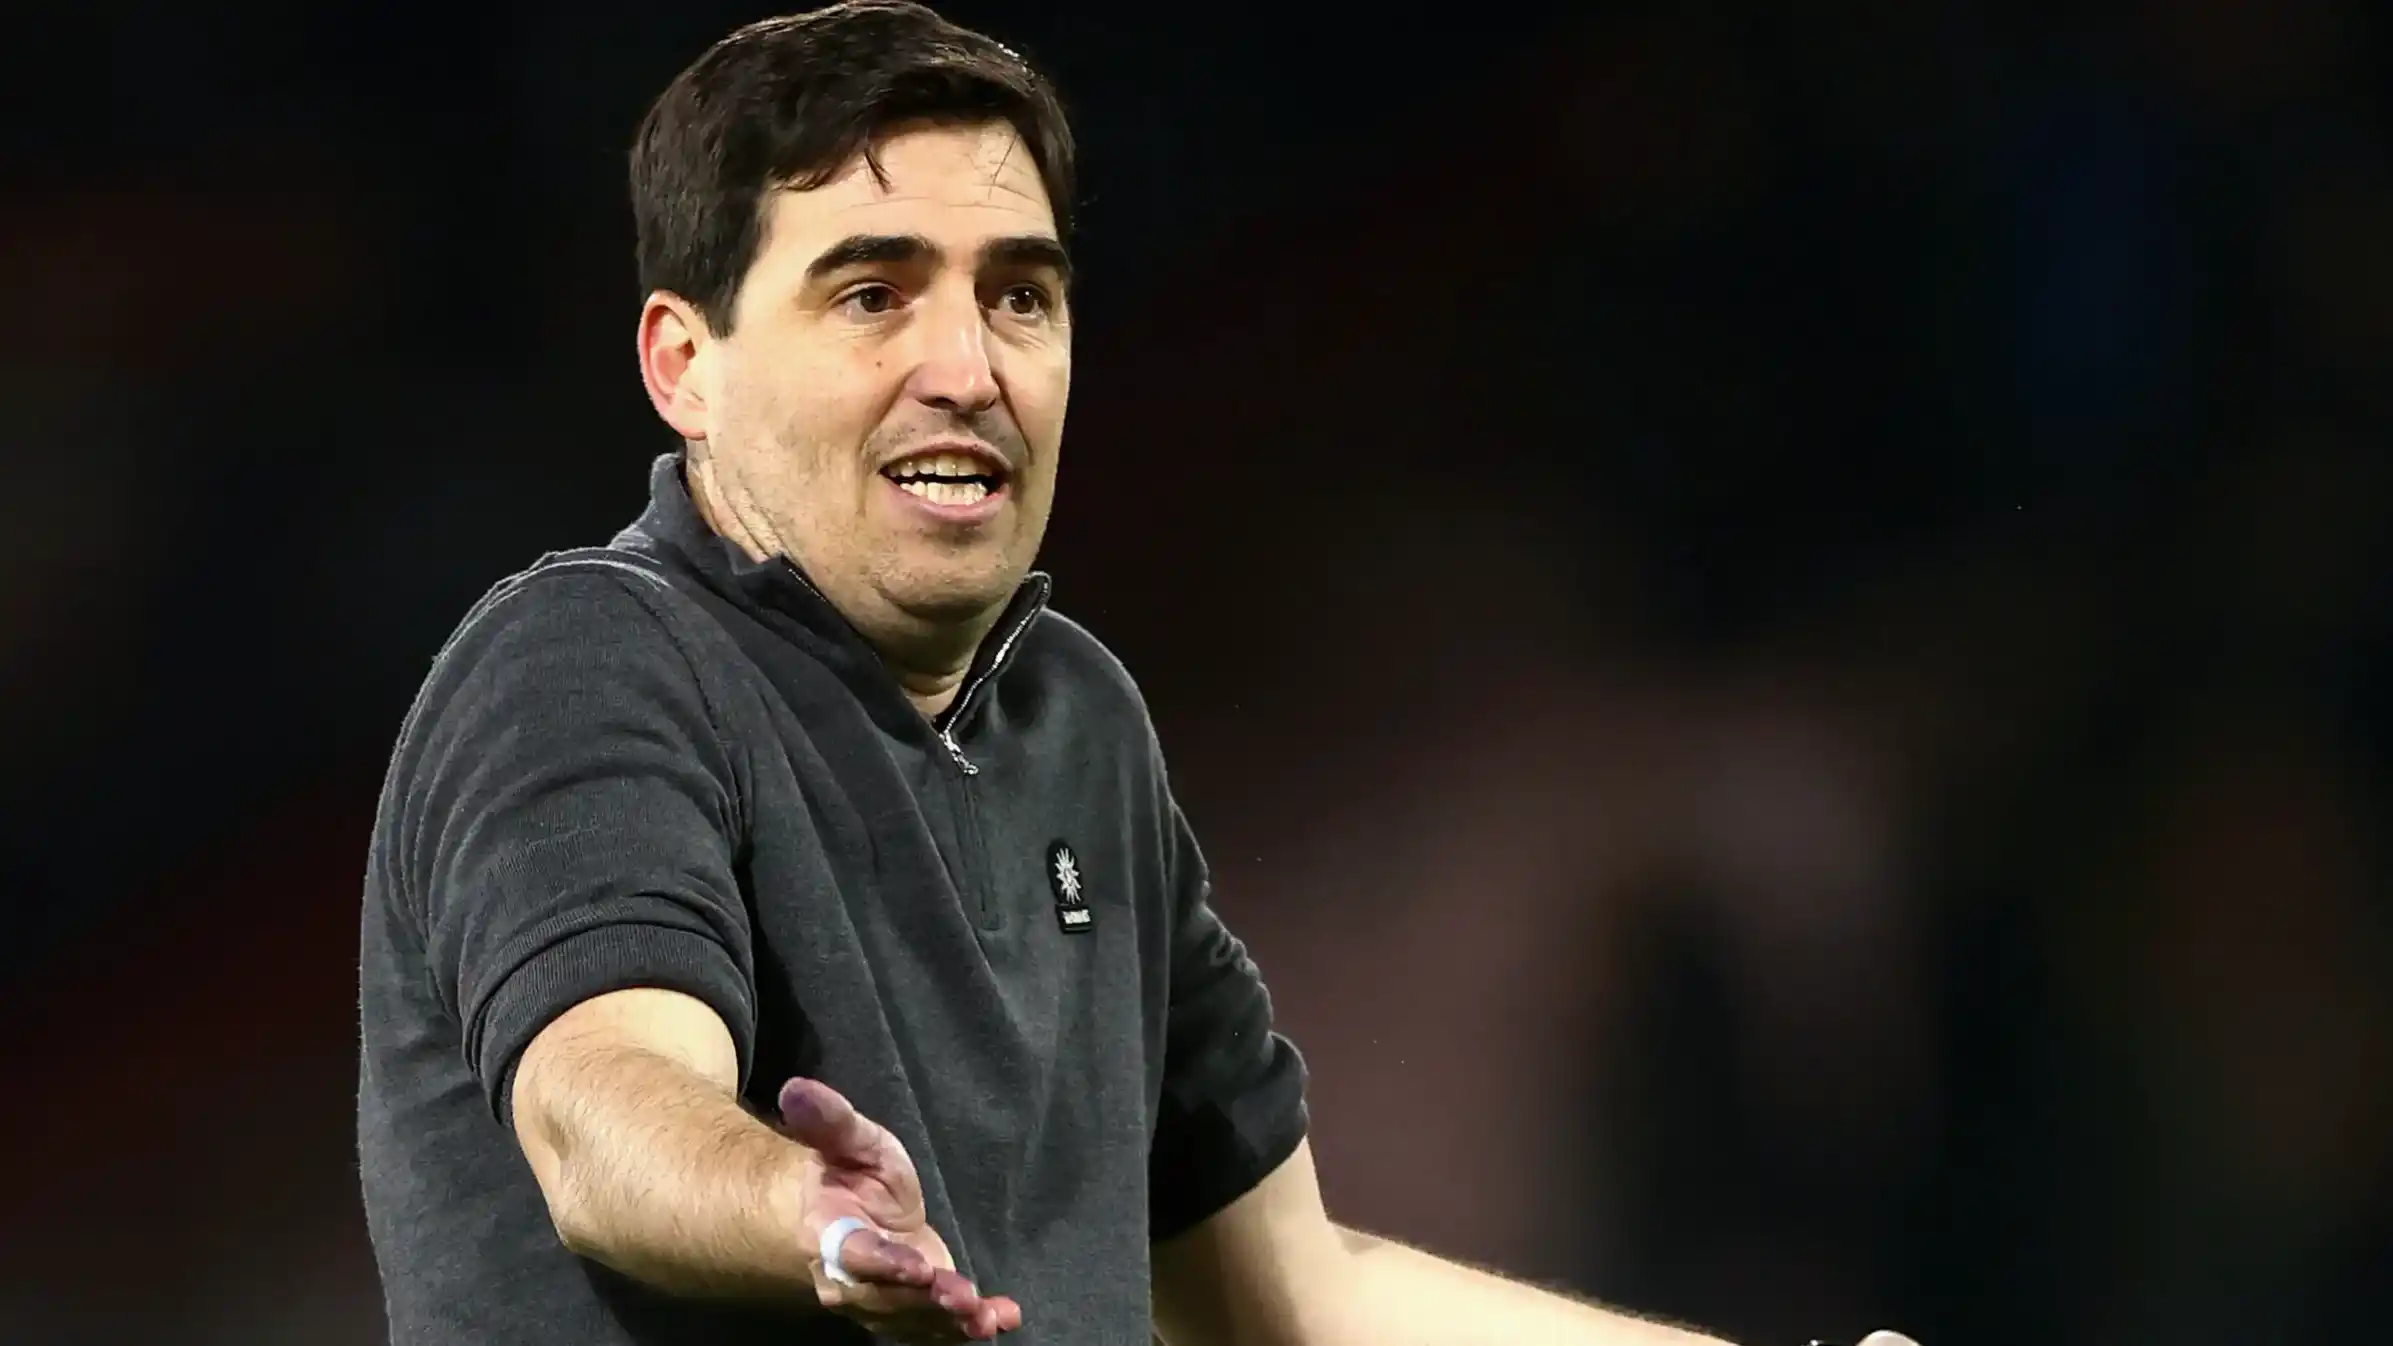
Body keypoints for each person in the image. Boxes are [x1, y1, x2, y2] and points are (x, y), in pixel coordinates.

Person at [356, 4, 1925, 1344]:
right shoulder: (588, 660)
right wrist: (804, 1209)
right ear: (684, 363)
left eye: (1018, 295)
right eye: (872, 293)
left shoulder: (1076, 722)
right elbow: (602, 1108)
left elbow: (1287, 1294)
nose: (968, 367)